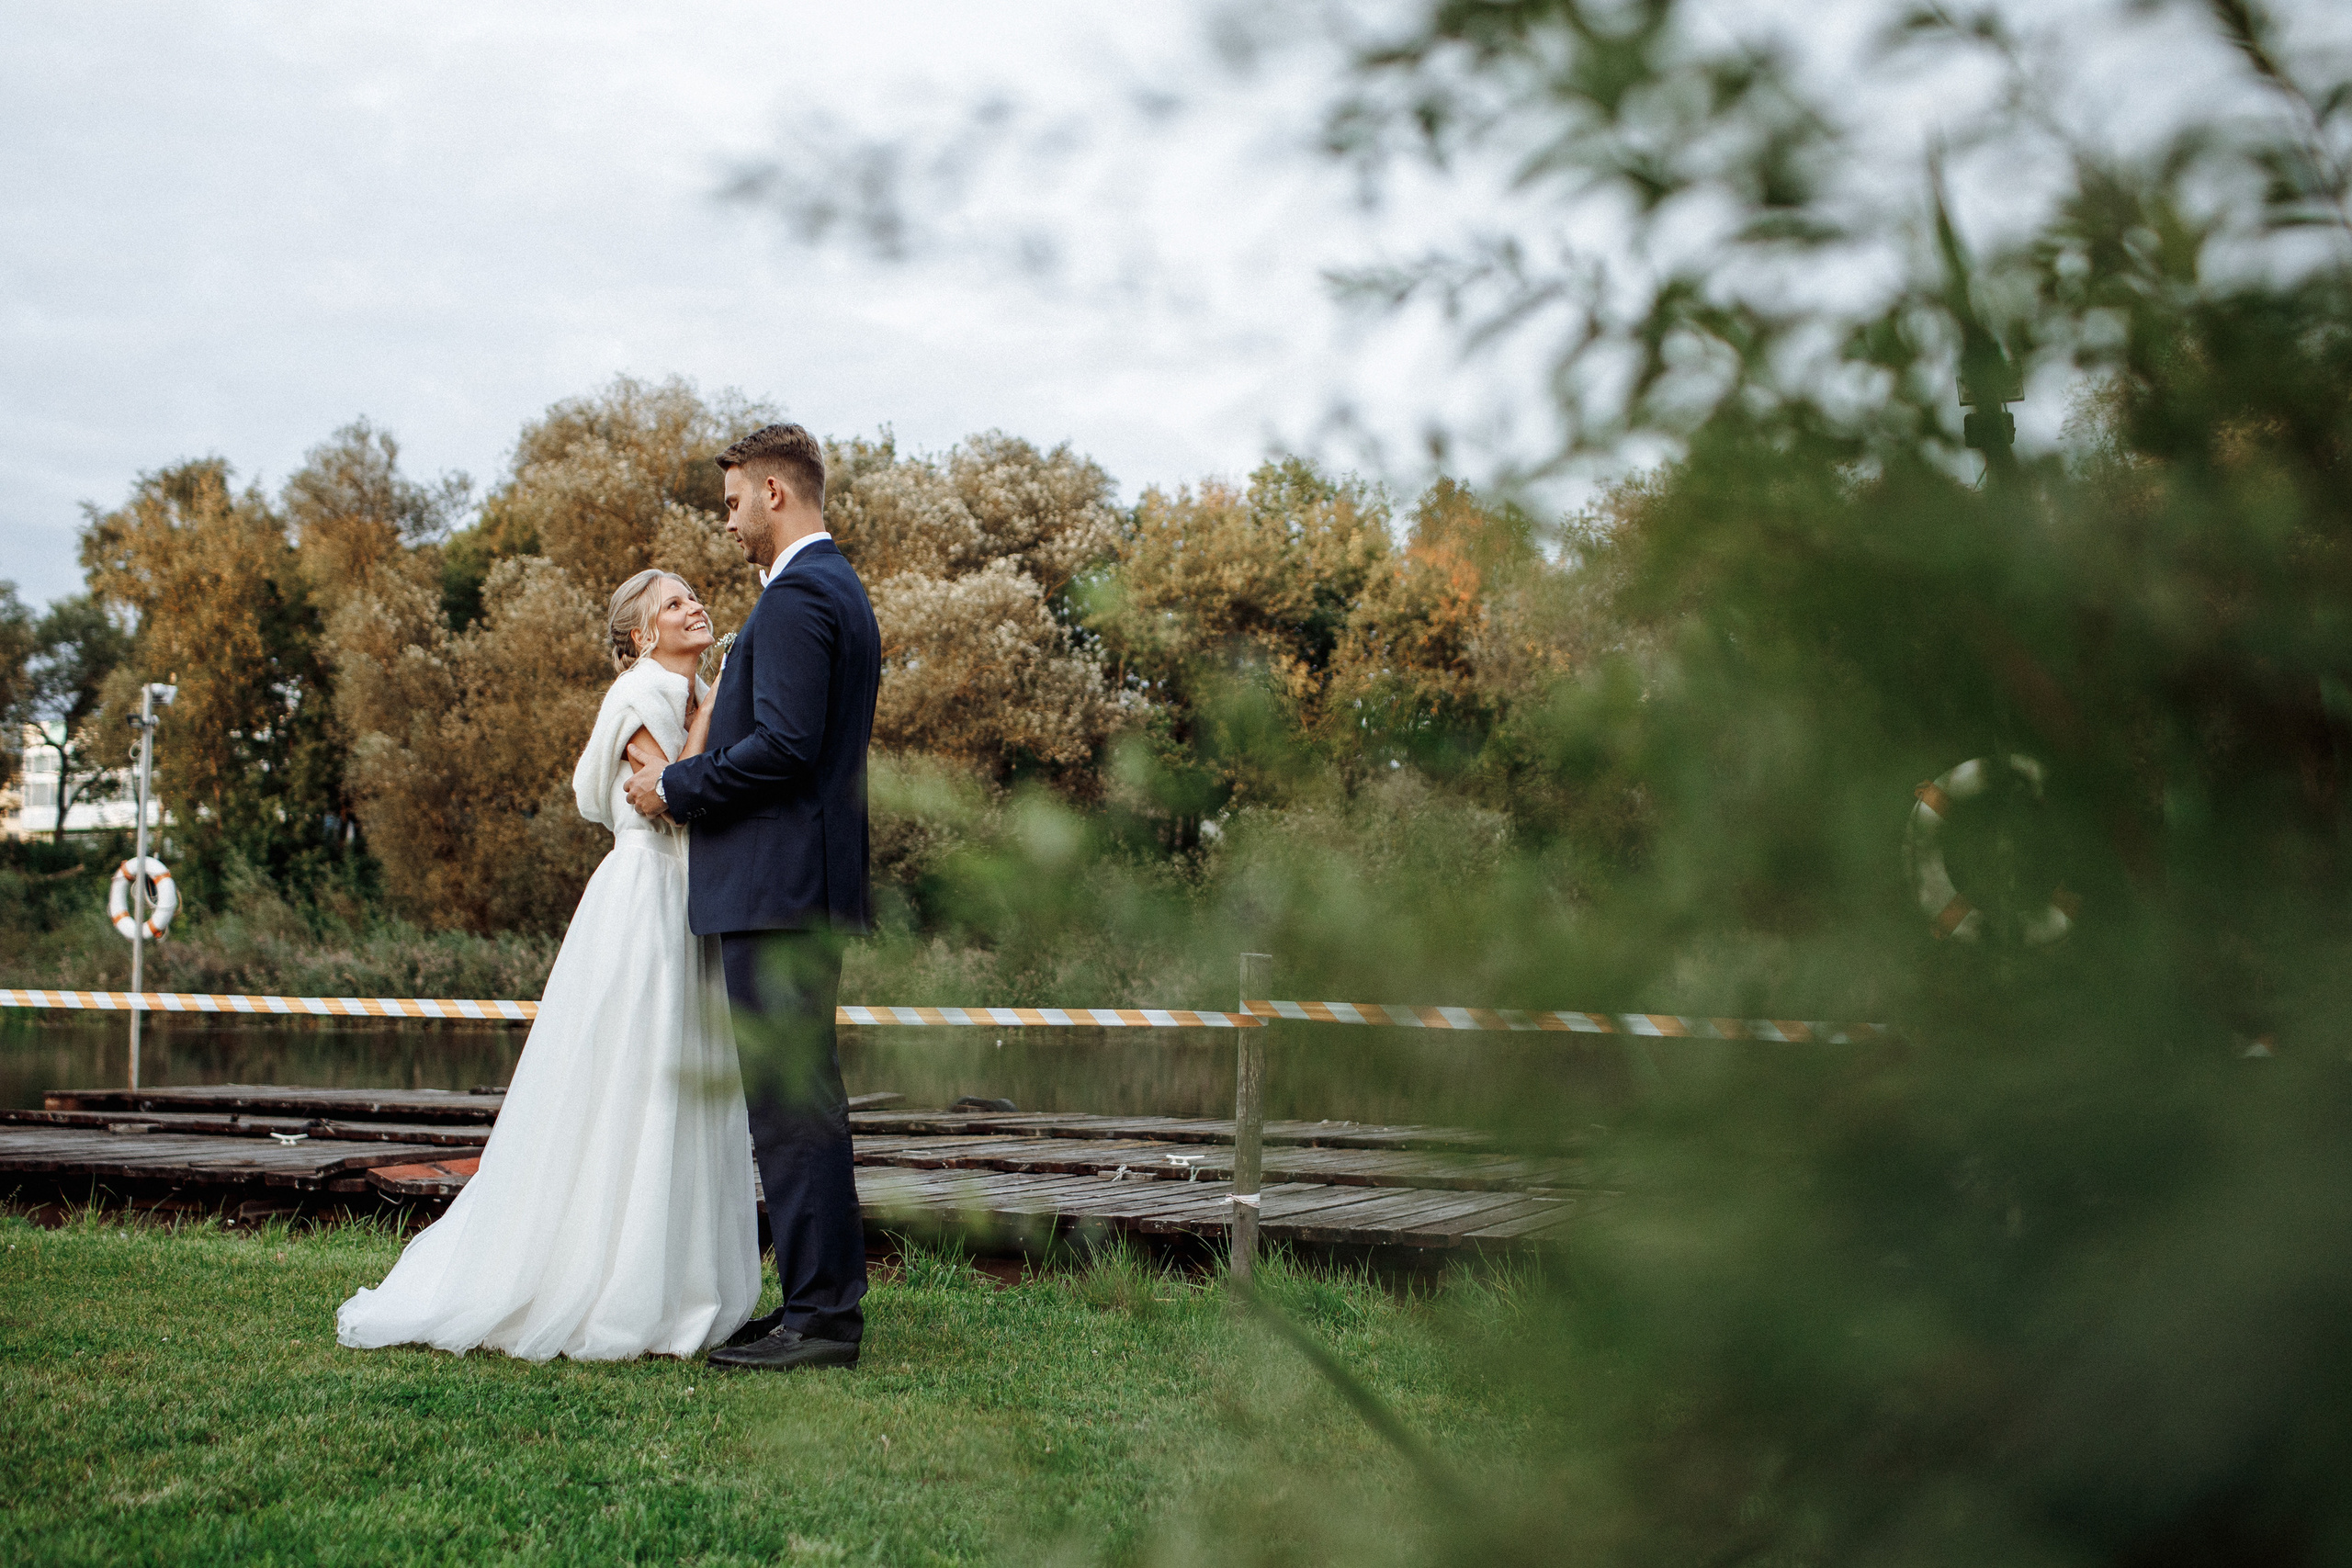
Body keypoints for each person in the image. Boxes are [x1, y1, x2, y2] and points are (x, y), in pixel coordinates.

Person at [335, 571, 761, 1361]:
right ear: (640, 635)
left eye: (693, 595)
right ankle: (610, 1283)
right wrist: (708, 714)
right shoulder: (639, 694)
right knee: (635, 1074)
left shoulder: (696, 691)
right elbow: (673, 793)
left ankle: (679, 1281)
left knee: (688, 1077)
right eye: (673, 603)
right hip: (646, 898)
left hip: (692, 897)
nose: (694, 606)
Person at [623, 422, 881, 1373]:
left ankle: (822, 1320)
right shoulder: (831, 590)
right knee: (795, 1101)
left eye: (733, 503)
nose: (727, 522)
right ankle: (815, 1303)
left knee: (791, 1104)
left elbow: (785, 746)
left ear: (775, 492)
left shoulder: (802, 596)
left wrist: (675, 786)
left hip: (779, 888)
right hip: (795, 883)